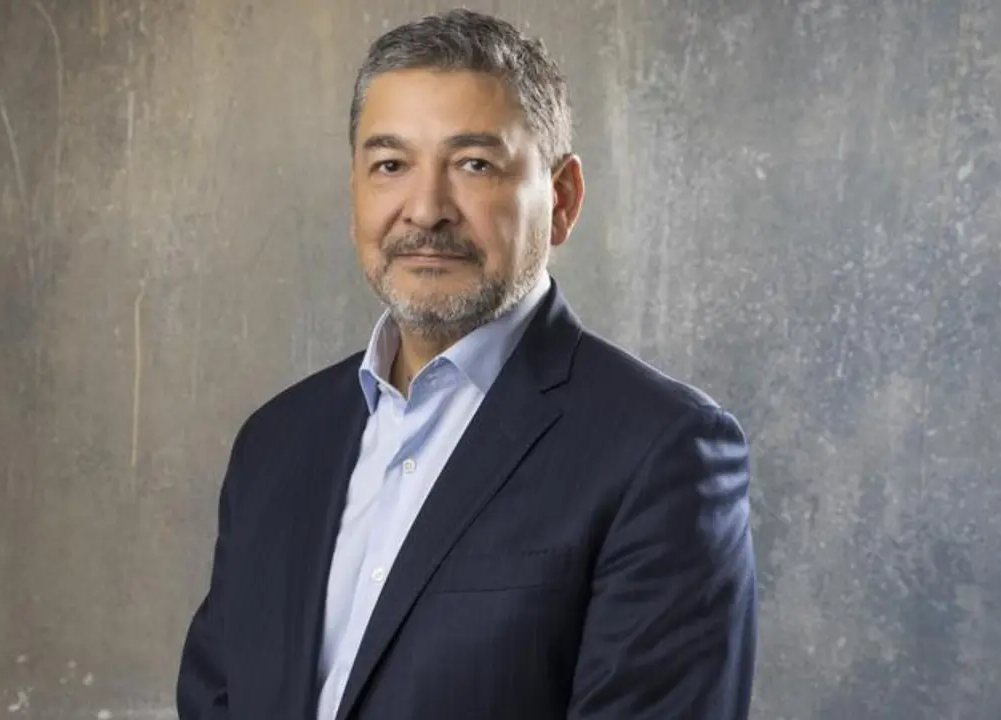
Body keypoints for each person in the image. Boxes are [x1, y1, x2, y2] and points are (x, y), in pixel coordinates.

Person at [176, 8, 756, 720]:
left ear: (563, 199)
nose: (426, 210)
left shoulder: (662, 450)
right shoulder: (276, 443)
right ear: (355, 191)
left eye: (474, 165)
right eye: (391, 165)